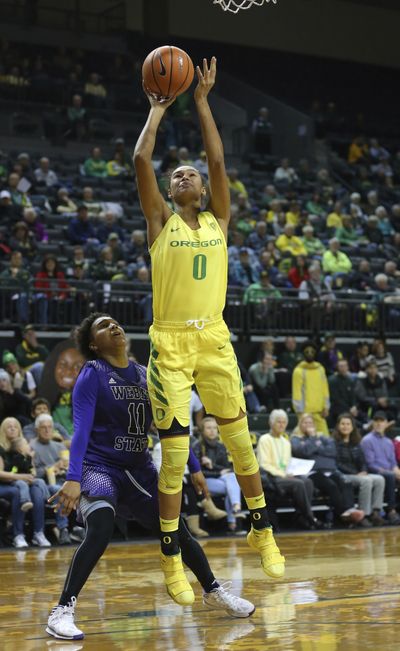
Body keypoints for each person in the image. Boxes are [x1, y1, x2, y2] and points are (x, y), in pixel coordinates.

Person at [134, 57, 284, 603]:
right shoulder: (160, 221)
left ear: (203, 188)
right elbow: (141, 158)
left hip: (214, 339)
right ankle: (171, 554)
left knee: (242, 442)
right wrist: (158, 109)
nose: (184, 175)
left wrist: (200, 102)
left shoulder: (220, 219)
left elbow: (218, 157)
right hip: (170, 342)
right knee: (174, 453)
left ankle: (261, 529)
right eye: (178, 175)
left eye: (190, 173)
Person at [46, 313, 255, 641]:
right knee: (100, 527)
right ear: (92, 344)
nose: (113, 326)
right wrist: (73, 478)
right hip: (99, 467)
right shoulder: (92, 373)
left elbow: (170, 427)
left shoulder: (148, 375)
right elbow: (81, 431)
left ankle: (213, 591)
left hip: (139, 468)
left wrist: (195, 467)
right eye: (103, 326)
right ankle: (62, 610)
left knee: (177, 530)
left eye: (115, 322)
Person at [291, 414, 364, 525]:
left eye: (310, 423)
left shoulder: (322, 437)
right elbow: (302, 452)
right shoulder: (296, 439)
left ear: (314, 425)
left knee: (345, 482)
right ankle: (343, 514)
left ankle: (350, 510)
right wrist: (313, 439)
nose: (308, 425)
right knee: (331, 485)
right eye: (305, 423)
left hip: (330, 470)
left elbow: (332, 451)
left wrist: (314, 448)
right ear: (300, 425)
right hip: (312, 472)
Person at [256, 410, 319, 530]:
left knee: (308, 481)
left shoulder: (286, 442)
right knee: (299, 484)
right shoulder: (264, 439)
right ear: (271, 423)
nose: (281, 425)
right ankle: (310, 517)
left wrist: (293, 472)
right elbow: (264, 464)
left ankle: (301, 516)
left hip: (286, 475)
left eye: (284, 422)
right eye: (278, 422)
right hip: (272, 477)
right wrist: (283, 474)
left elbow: (287, 463)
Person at [0, 417, 52, 548]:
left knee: (36, 489)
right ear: (3, 430)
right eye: (9, 426)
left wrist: (30, 474)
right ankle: (18, 535)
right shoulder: (1, 448)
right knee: (17, 491)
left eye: (15, 426)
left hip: (21, 482)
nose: (12, 428)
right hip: (4, 484)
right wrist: (22, 477)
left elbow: (32, 471)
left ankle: (38, 533)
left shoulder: (24, 447)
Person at [192, 416, 245, 534]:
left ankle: (233, 517)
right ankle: (234, 519)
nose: (212, 431)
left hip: (221, 480)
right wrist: (216, 471)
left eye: (215, 428)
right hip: (205, 482)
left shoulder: (221, 446)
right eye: (208, 428)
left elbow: (227, 468)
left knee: (231, 480)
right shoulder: (197, 446)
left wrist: (212, 465)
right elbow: (197, 473)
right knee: (232, 486)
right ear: (202, 430)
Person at [332, 413, 386, 527]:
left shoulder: (356, 442)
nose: (345, 426)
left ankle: (375, 512)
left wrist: (364, 470)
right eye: (342, 424)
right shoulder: (333, 443)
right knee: (366, 481)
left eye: (348, 424)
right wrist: (356, 473)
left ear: (352, 427)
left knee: (379, 479)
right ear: (338, 426)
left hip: (358, 474)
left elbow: (363, 461)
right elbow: (337, 464)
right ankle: (363, 514)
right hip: (343, 475)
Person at [360, 412, 400, 525]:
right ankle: (391, 511)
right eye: (376, 421)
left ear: (386, 424)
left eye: (381, 421)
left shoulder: (388, 442)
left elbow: (393, 463)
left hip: (389, 471)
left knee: (395, 474)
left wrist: (397, 471)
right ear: (372, 423)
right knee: (391, 475)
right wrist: (391, 472)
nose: (378, 424)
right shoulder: (367, 440)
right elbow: (370, 463)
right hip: (374, 471)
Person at [292, 341, 330, 435]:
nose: (309, 354)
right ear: (303, 354)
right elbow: (297, 392)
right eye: (307, 352)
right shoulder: (298, 370)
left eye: (312, 351)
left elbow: (325, 389)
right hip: (305, 414)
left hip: (320, 413)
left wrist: (326, 407)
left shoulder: (320, 369)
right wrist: (300, 412)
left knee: (325, 438)